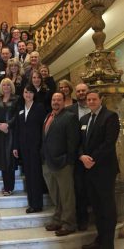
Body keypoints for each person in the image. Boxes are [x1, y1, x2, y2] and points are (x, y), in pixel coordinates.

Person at [79, 90, 120, 249]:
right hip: (89, 170)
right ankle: (99, 240)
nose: (91, 102)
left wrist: (92, 159)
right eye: (88, 99)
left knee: (107, 208)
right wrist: (82, 156)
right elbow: (80, 143)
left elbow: (109, 143)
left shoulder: (110, 117)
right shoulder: (84, 119)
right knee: (96, 207)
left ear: (100, 100)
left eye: (93, 99)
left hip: (104, 170)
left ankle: (108, 244)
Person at [42, 92, 80, 236]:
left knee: (66, 195)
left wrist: (68, 161)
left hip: (63, 163)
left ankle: (69, 224)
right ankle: (57, 220)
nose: (56, 102)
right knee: (56, 195)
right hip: (48, 162)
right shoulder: (48, 116)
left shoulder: (69, 117)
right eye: (53, 99)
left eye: (59, 100)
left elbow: (73, 142)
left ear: (64, 102)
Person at [13, 84, 46, 213]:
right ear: (23, 94)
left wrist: (42, 146)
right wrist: (16, 146)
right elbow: (17, 129)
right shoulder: (20, 109)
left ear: (34, 94)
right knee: (28, 175)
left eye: (31, 92)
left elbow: (43, 129)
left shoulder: (39, 107)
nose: (28, 95)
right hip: (24, 148)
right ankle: (31, 202)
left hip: (36, 147)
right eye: (26, 92)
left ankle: (37, 205)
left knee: (36, 176)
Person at [66, 83, 90, 231]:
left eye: (83, 91)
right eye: (79, 91)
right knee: (79, 189)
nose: (81, 93)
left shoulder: (96, 107)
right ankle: (82, 219)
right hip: (76, 156)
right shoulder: (70, 110)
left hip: (95, 157)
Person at [0, 78, 19, 196]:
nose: (6, 87)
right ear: (1, 87)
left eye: (8, 85)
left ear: (11, 87)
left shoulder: (17, 99)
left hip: (11, 132)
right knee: (2, 160)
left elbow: (18, 115)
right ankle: (6, 185)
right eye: (4, 85)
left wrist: (8, 124)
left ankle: (10, 187)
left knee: (10, 161)